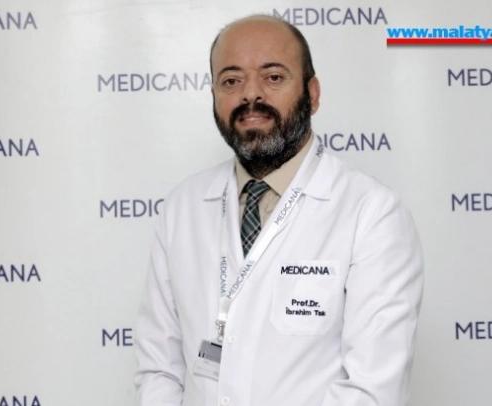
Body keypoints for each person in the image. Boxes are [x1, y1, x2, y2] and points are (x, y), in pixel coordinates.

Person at [134, 14, 424, 406]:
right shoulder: (182, 207)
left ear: (312, 94)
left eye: (273, 77)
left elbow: (372, 389)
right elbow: (159, 367)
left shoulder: (372, 214)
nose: (250, 95)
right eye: (231, 81)